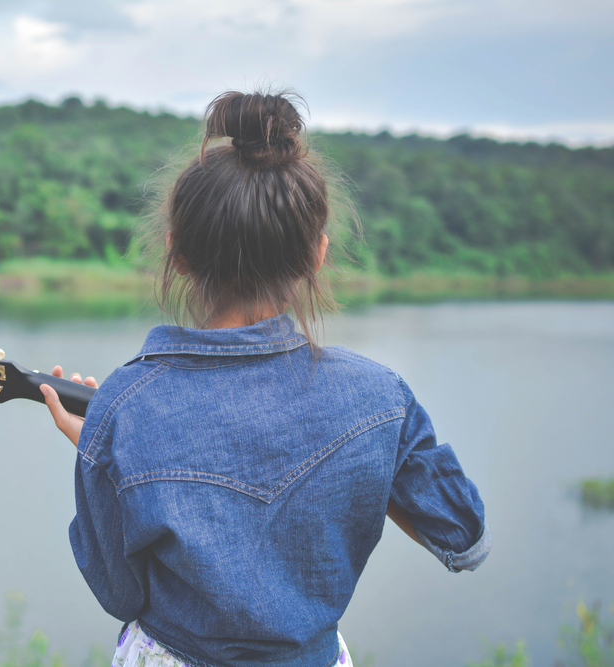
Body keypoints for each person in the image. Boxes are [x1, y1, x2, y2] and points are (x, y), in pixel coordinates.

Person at [39, 91, 491, 667]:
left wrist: (105, 454)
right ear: (316, 255)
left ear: (176, 252)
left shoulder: (125, 410)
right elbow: (464, 537)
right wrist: (366, 459)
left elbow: (119, 593)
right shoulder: (380, 400)